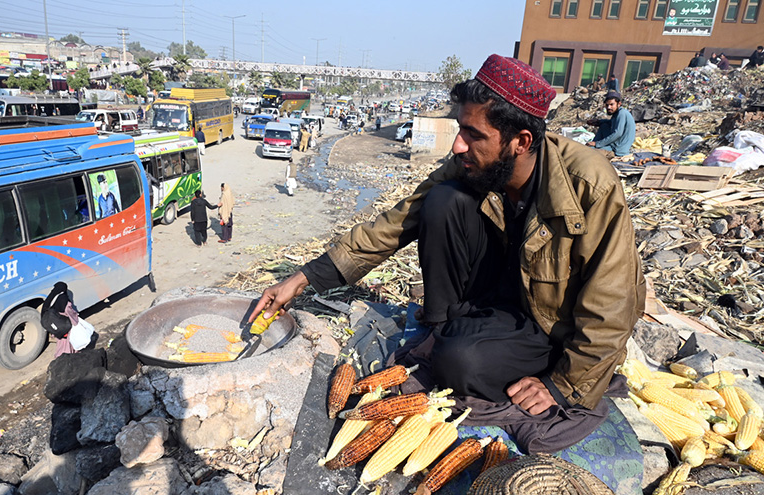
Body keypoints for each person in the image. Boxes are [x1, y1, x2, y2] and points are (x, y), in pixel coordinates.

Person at [251, 53, 644, 454]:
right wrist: (304, 277)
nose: (458, 145)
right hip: (493, 297)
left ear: (521, 142)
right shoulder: (474, 162)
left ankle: (459, 348)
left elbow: (613, 302)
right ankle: (442, 330)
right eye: (459, 128)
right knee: (441, 200)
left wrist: (563, 384)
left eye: (473, 134)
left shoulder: (589, 186)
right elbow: (400, 220)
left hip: (547, 325)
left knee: (460, 363)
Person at [586, 90, 636, 157]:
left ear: (619, 104)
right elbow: (611, 122)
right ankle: (593, 144)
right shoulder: (616, 114)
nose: (609, 107)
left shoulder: (622, 113)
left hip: (618, 148)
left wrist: (597, 144)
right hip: (615, 144)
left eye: (611, 104)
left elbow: (617, 133)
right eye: (607, 105)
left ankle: (594, 144)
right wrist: (599, 122)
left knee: (589, 150)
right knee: (603, 125)